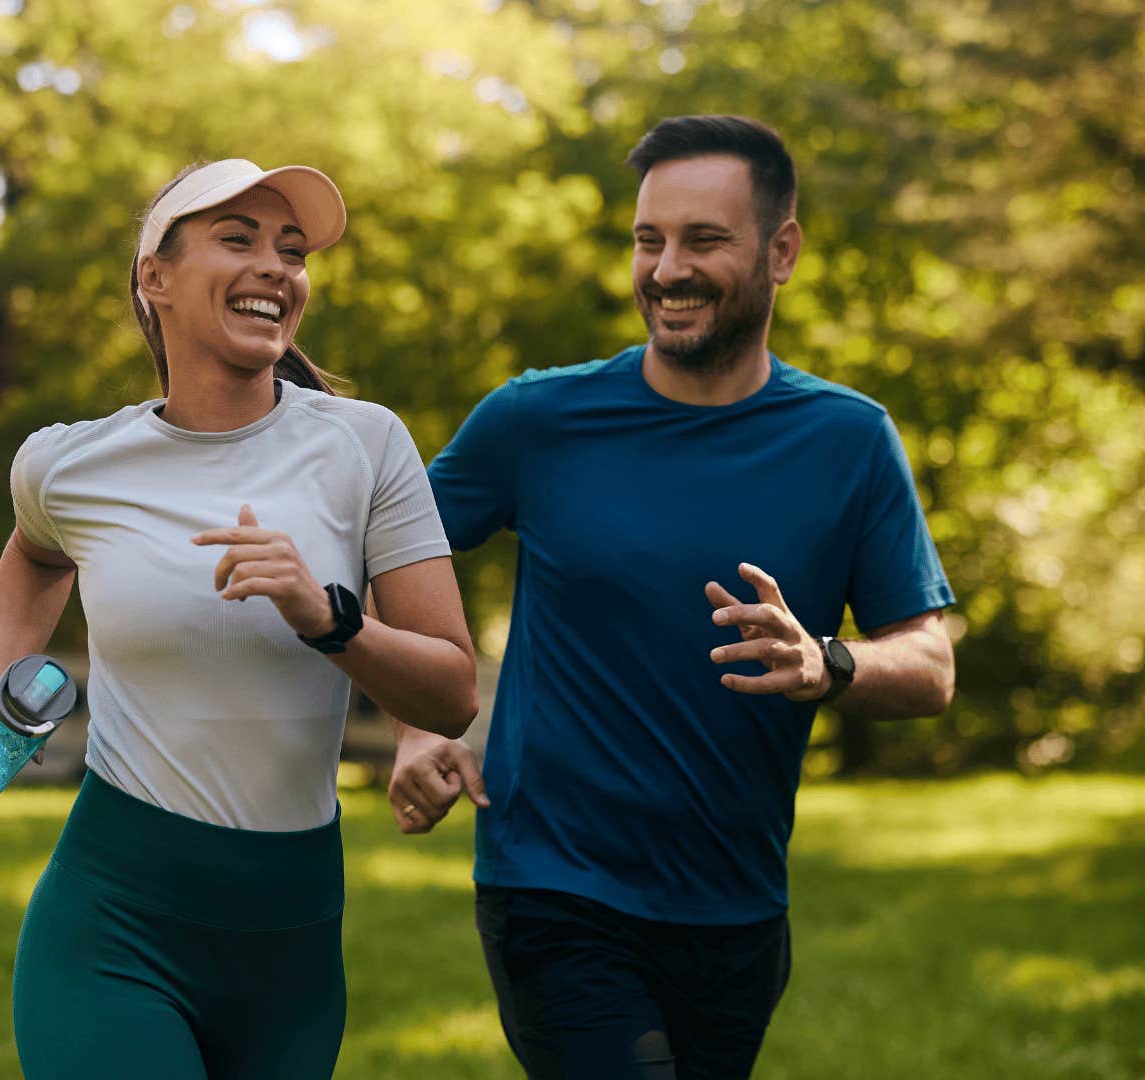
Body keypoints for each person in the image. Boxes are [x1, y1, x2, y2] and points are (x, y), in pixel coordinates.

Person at [388, 115, 958, 1079]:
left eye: (704, 240)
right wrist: (422, 714)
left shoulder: (850, 441)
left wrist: (827, 663)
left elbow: (932, 663)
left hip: (734, 909)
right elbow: (393, 548)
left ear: (781, 252)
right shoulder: (537, 420)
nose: (666, 269)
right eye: (649, 240)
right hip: (552, 888)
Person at [0, 159, 479, 1079]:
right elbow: (34, 551)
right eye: (239, 239)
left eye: (292, 251)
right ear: (155, 277)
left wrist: (328, 617)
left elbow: (454, 690)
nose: (277, 267)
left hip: (292, 942)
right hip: (114, 923)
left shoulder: (367, 444)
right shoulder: (70, 466)